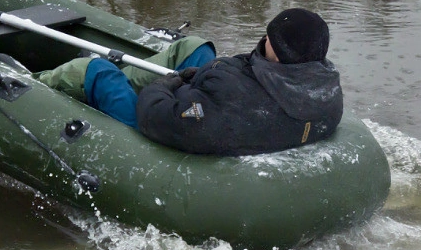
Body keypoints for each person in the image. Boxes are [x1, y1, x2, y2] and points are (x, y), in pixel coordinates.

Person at [37, 8, 343, 156]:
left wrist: (167, 85)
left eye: (270, 41)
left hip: (163, 122)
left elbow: (157, 116)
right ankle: (126, 81)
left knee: (96, 71)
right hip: (203, 104)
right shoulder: (324, 93)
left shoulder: (237, 102)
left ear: (280, 56)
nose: (264, 41)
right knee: (195, 48)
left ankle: (33, 81)